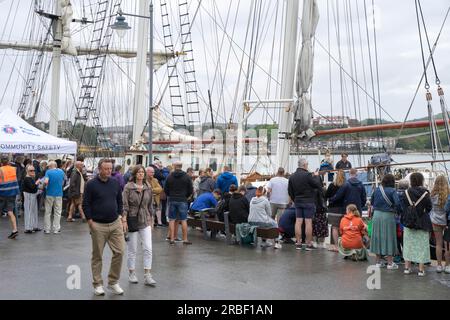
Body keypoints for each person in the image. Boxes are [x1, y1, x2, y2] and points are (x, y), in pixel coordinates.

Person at [83, 158, 125, 296]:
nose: (109, 171)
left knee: (119, 252)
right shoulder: (91, 184)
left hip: (115, 223)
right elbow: (86, 203)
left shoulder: (115, 183)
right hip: (97, 225)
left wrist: (120, 215)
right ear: (99, 169)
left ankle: (113, 282)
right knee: (97, 256)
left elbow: (119, 200)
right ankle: (98, 284)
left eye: (110, 169)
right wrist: (90, 221)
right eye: (106, 169)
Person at [122, 165, 156, 286]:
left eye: (142, 172)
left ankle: (147, 274)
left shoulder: (148, 187)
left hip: (145, 219)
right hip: (132, 219)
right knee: (133, 249)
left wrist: (152, 220)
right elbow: (124, 205)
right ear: (135, 174)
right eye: (139, 172)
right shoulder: (128, 187)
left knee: (148, 248)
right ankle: (132, 273)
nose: (141, 174)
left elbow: (150, 205)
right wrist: (124, 220)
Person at [401, 172, 433, 276]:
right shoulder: (425, 193)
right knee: (422, 246)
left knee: (408, 245)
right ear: (421, 180)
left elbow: (402, 206)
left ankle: (407, 267)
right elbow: (429, 207)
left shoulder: (406, 192)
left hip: (409, 222)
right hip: (422, 222)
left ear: (411, 181)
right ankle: (421, 269)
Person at [288, 158, 322, 251]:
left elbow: (290, 191)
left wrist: (295, 199)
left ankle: (298, 243)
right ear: (304, 165)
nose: (308, 166)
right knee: (308, 222)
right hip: (308, 201)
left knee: (298, 221)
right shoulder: (307, 175)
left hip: (298, 201)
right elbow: (318, 185)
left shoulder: (292, 176)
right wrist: (316, 176)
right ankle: (308, 244)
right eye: (307, 164)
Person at [370, 174, 402, 269]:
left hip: (376, 215)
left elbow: (372, 202)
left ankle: (378, 262)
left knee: (377, 237)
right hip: (388, 216)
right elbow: (397, 203)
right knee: (389, 238)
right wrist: (398, 212)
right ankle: (390, 263)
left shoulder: (377, 190)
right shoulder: (392, 191)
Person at [164, 161, 194, 245]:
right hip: (183, 200)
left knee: (172, 220)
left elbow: (165, 188)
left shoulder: (169, 176)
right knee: (183, 219)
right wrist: (185, 196)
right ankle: (185, 239)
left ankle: (172, 239)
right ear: (181, 166)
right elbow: (190, 189)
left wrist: (170, 195)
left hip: (172, 199)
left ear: (174, 166)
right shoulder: (187, 176)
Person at [429, 175, 449, 273]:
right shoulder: (448, 194)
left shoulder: (432, 195)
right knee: (447, 245)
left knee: (438, 243)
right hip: (446, 221)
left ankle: (439, 265)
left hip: (435, 221)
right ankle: (447, 265)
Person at [325, 170, 346, 252]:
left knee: (334, 228)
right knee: (343, 228)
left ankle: (336, 246)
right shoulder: (345, 186)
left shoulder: (332, 185)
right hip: (342, 209)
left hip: (333, 209)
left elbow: (326, 195)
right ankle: (344, 245)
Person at [0, 155, 20, 239]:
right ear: (8, 161)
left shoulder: (0, 170)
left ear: (1, 162)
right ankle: (15, 229)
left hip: (2, 193)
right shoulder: (13, 169)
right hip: (12, 193)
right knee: (10, 211)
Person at [43, 161, 65, 234]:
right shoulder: (61, 172)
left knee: (48, 212)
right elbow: (63, 182)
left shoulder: (48, 172)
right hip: (59, 194)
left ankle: (47, 229)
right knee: (58, 212)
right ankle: (56, 229)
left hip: (49, 193)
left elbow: (46, 182)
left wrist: (44, 185)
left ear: (50, 166)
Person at [22, 164, 41, 233]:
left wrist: (39, 187)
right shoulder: (27, 178)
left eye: (34, 170)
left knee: (33, 211)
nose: (33, 172)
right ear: (27, 171)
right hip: (29, 197)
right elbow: (32, 187)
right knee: (29, 212)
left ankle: (34, 226)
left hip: (32, 196)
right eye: (31, 170)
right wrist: (37, 183)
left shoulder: (30, 178)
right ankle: (28, 228)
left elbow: (33, 188)